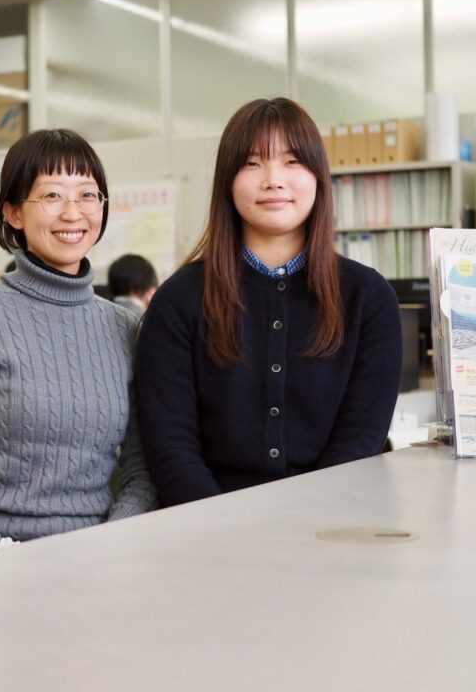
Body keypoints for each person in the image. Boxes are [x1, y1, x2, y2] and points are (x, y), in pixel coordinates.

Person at [0, 128, 157, 564]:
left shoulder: (125, 327)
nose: (73, 213)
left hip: (90, 561)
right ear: (14, 212)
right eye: (52, 195)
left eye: (87, 195)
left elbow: (142, 470)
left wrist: (110, 544)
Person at [135, 97, 402, 507]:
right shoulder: (178, 300)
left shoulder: (368, 297)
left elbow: (361, 440)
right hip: (204, 529)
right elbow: (171, 450)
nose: (273, 180)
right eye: (252, 163)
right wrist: (221, 527)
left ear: (318, 176)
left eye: (292, 161)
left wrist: (308, 524)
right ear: (227, 180)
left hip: (332, 525)